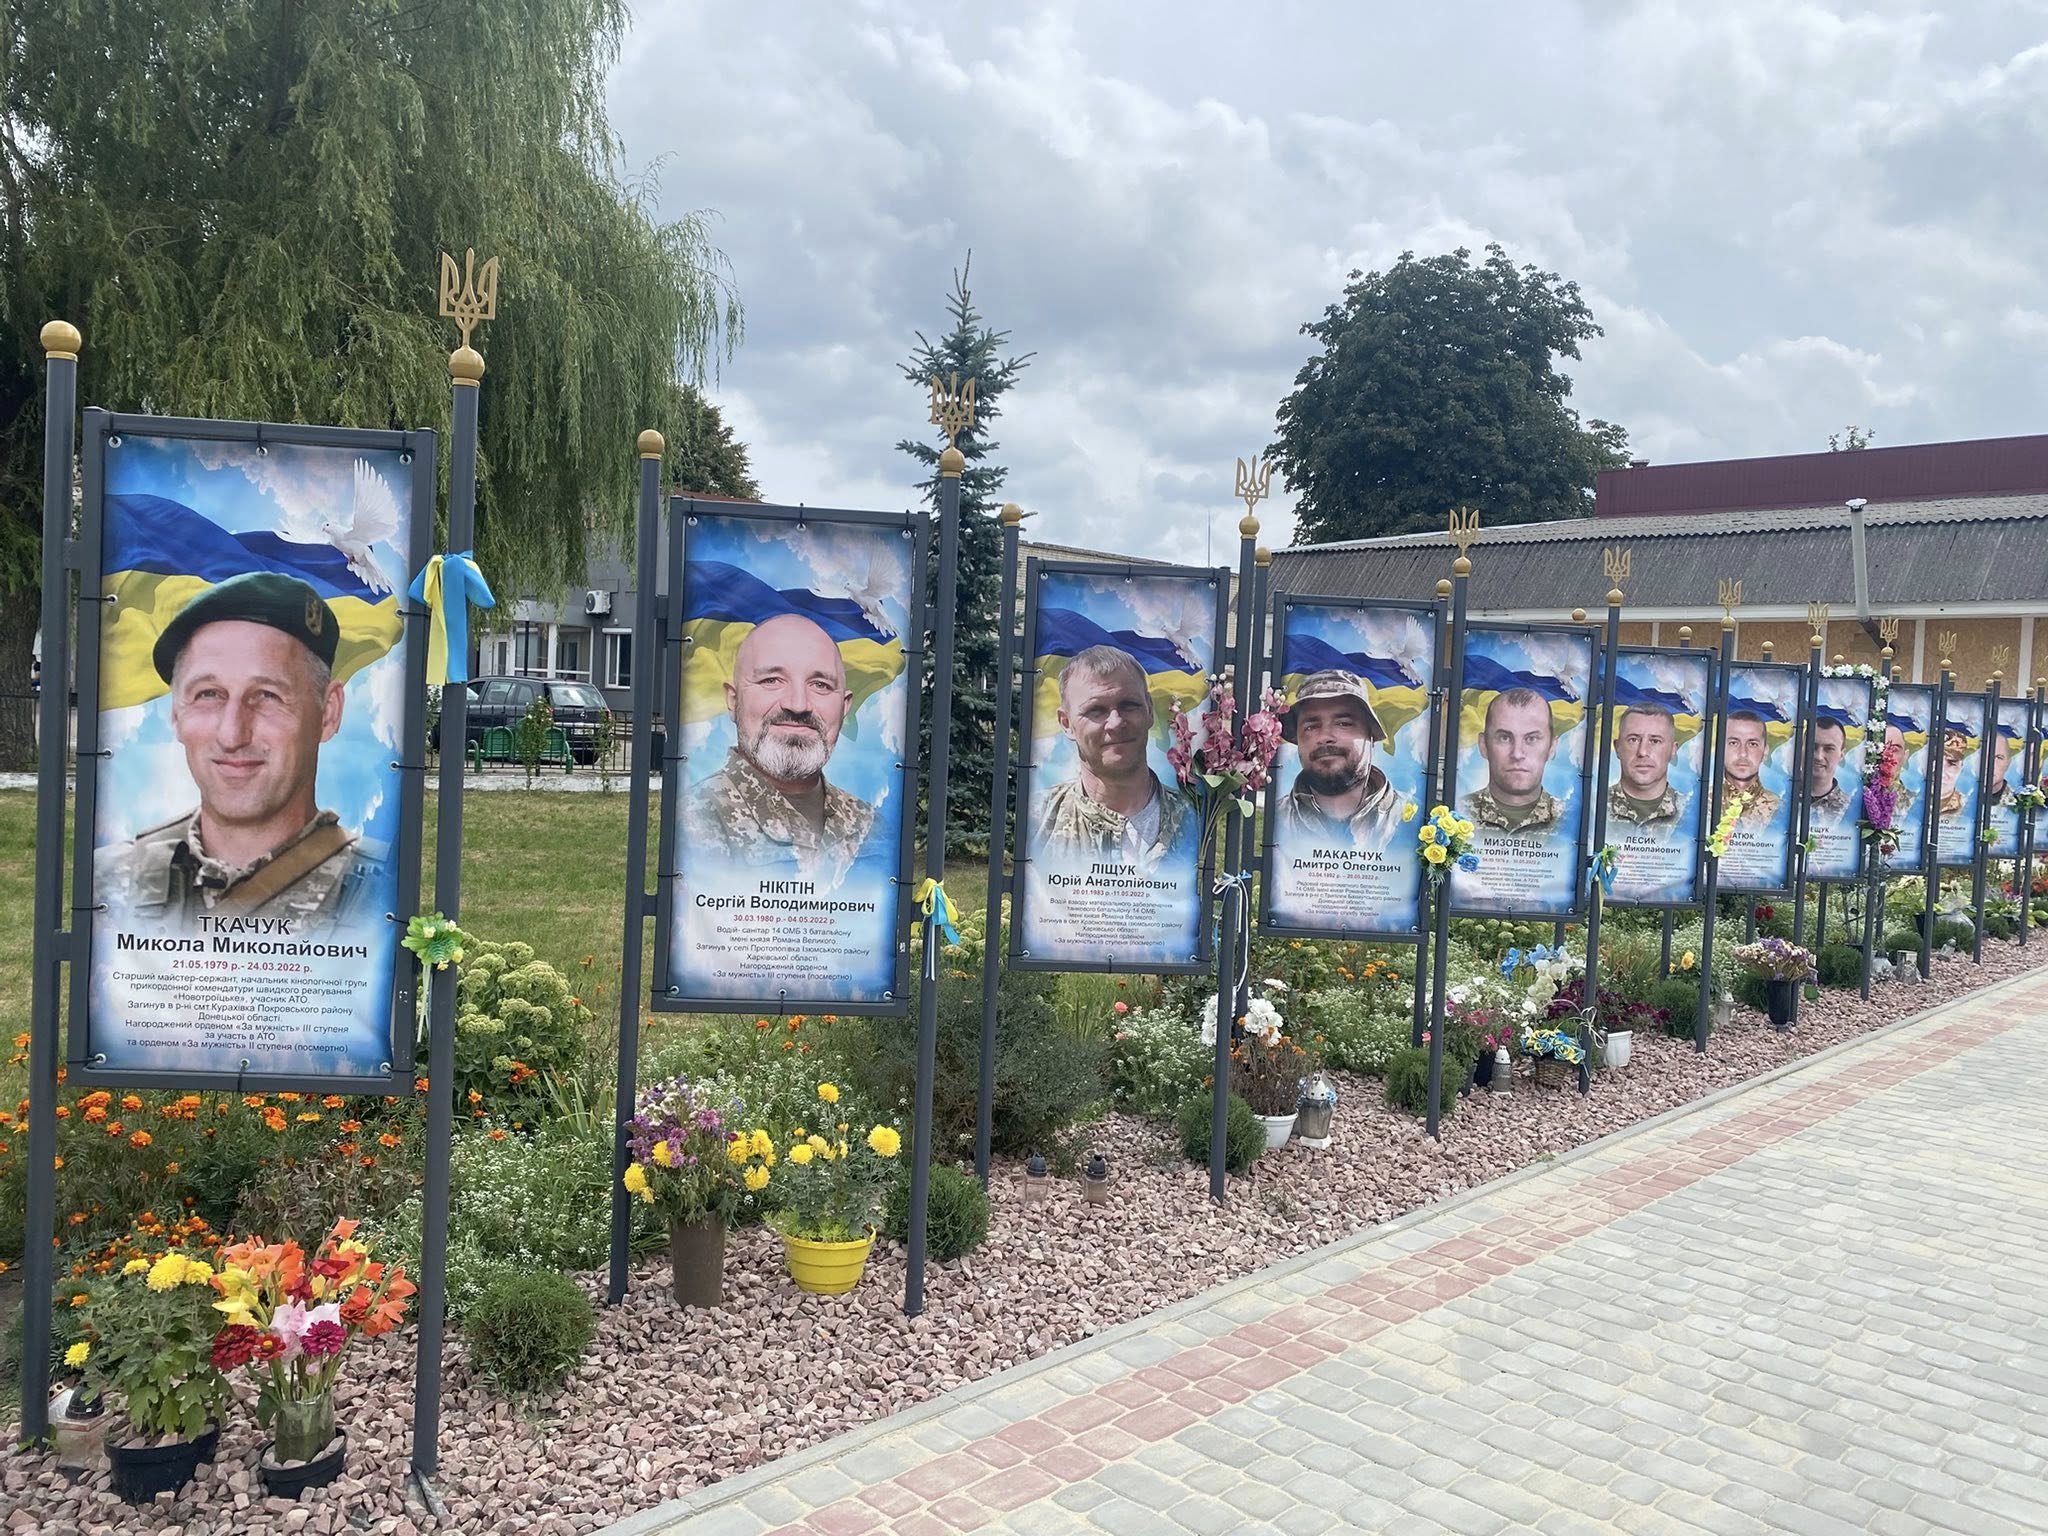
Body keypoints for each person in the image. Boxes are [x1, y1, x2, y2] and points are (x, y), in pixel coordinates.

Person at [99, 571, 382, 929]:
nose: (232, 735)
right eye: (208, 694)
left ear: (328, 713)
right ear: (176, 714)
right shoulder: (108, 882)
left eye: (267, 696)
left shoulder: (380, 894)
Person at [683, 613, 878, 881]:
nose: (797, 704)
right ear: (733, 700)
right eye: (771, 680)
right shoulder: (693, 819)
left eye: (820, 685)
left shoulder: (871, 825)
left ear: (844, 707)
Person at [1029, 644, 1192, 865]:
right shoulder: (1038, 819)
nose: (1115, 723)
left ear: (1149, 710)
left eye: (1129, 705)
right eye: (1095, 710)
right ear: (1066, 723)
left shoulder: (1193, 820)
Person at [1276, 670, 1400, 850]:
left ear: (1371, 735)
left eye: (1343, 723)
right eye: (1311, 727)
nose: (1325, 737)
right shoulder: (1275, 820)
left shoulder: (1411, 821)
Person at [1461, 687, 1562, 834]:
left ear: (1551, 747)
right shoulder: (1457, 813)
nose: (1517, 754)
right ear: (1483, 745)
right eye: (1505, 738)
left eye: (1531, 739)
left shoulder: (1571, 822)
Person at [1607, 704, 1683, 828]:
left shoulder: (1695, 812)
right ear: (1617, 747)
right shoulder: (1593, 807)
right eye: (1633, 740)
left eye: (1655, 741)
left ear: (1673, 750)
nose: (1642, 752)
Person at [1720, 711, 1780, 825]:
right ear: (1720, 747)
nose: (1743, 753)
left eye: (1752, 744)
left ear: (1765, 751)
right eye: (1733, 743)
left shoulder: (1779, 809)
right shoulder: (1701, 804)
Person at [1806, 717, 1853, 819]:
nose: (1818, 756)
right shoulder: (1783, 801)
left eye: (1828, 749)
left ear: (1841, 755)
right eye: (1813, 747)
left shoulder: (1850, 810)